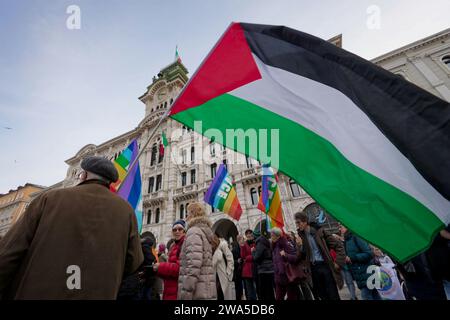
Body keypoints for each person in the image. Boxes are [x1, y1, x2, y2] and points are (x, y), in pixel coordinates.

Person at [0, 156, 143, 299]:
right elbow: (133, 263)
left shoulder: (49, 198)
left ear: (84, 175)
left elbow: (9, 252)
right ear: (109, 181)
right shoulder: (127, 211)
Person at [295, 211, 345, 300]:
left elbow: (338, 245)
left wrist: (338, 262)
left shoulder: (320, 232)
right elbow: (300, 257)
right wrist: (300, 246)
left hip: (325, 266)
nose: (297, 225)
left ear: (305, 221)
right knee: (322, 295)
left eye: (299, 222)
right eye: (296, 223)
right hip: (313, 269)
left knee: (332, 294)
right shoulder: (300, 236)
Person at [178, 202, 216, 300]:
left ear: (192, 214)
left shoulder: (193, 232)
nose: (186, 217)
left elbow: (193, 267)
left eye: (188, 213)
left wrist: (185, 294)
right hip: (206, 290)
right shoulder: (204, 232)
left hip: (197, 293)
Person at [341, 225, 381, 300]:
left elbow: (369, 253)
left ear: (347, 227)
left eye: (341, 226)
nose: (340, 229)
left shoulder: (356, 237)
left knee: (365, 296)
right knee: (374, 295)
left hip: (367, 272)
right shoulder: (347, 239)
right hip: (361, 274)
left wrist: (353, 258)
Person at [153, 219, 186, 300]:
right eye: (174, 230)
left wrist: (160, 267)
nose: (177, 231)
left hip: (177, 291)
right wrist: (157, 270)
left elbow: (180, 269)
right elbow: (169, 271)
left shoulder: (185, 244)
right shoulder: (173, 246)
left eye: (180, 229)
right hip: (169, 289)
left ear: (184, 231)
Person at [270, 227, 301, 300]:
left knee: (291, 297)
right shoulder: (274, 246)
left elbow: (295, 257)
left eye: (272, 235)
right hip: (279, 277)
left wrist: (286, 255)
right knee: (278, 298)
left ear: (277, 236)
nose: (271, 237)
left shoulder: (286, 244)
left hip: (288, 276)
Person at [252, 222, 275, 300]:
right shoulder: (266, 241)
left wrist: (253, 251)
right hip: (270, 268)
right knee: (270, 291)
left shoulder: (260, 243)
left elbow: (256, 257)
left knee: (265, 292)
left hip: (264, 270)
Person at [335, 225, 358, 300]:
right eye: (339, 227)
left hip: (349, 263)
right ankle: (353, 296)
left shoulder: (348, 238)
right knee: (348, 281)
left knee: (351, 281)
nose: (340, 229)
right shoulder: (338, 240)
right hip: (342, 264)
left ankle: (353, 296)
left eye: (341, 227)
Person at [212, 234, 235, 300]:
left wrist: (228, 273)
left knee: (224, 294)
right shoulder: (211, 249)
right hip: (214, 276)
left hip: (223, 275)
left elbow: (230, 259)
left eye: (212, 243)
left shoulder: (223, 245)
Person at [241, 229, 257, 300]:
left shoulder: (256, 243)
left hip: (255, 268)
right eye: (247, 235)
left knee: (258, 289)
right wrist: (251, 255)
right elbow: (243, 256)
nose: (249, 236)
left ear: (252, 235)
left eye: (250, 234)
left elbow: (256, 256)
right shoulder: (244, 244)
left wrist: (248, 257)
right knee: (250, 291)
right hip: (247, 271)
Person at [231, 235, 244, 300]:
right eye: (242, 240)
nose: (243, 241)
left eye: (243, 240)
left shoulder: (242, 247)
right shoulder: (234, 249)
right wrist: (237, 261)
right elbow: (231, 261)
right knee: (238, 287)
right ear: (238, 240)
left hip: (242, 270)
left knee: (241, 287)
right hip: (237, 271)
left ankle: (241, 296)